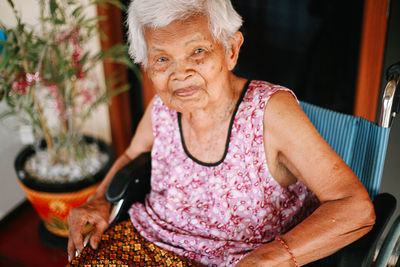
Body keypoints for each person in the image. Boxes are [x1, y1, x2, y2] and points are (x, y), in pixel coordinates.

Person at [67, 0, 375, 266]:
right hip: (144, 245)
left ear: (230, 50)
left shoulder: (271, 113)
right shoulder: (161, 107)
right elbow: (133, 154)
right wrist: (97, 199)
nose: (180, 74)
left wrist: (272, 257)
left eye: (197, 51)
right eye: (162, 58)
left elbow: (355, 206)